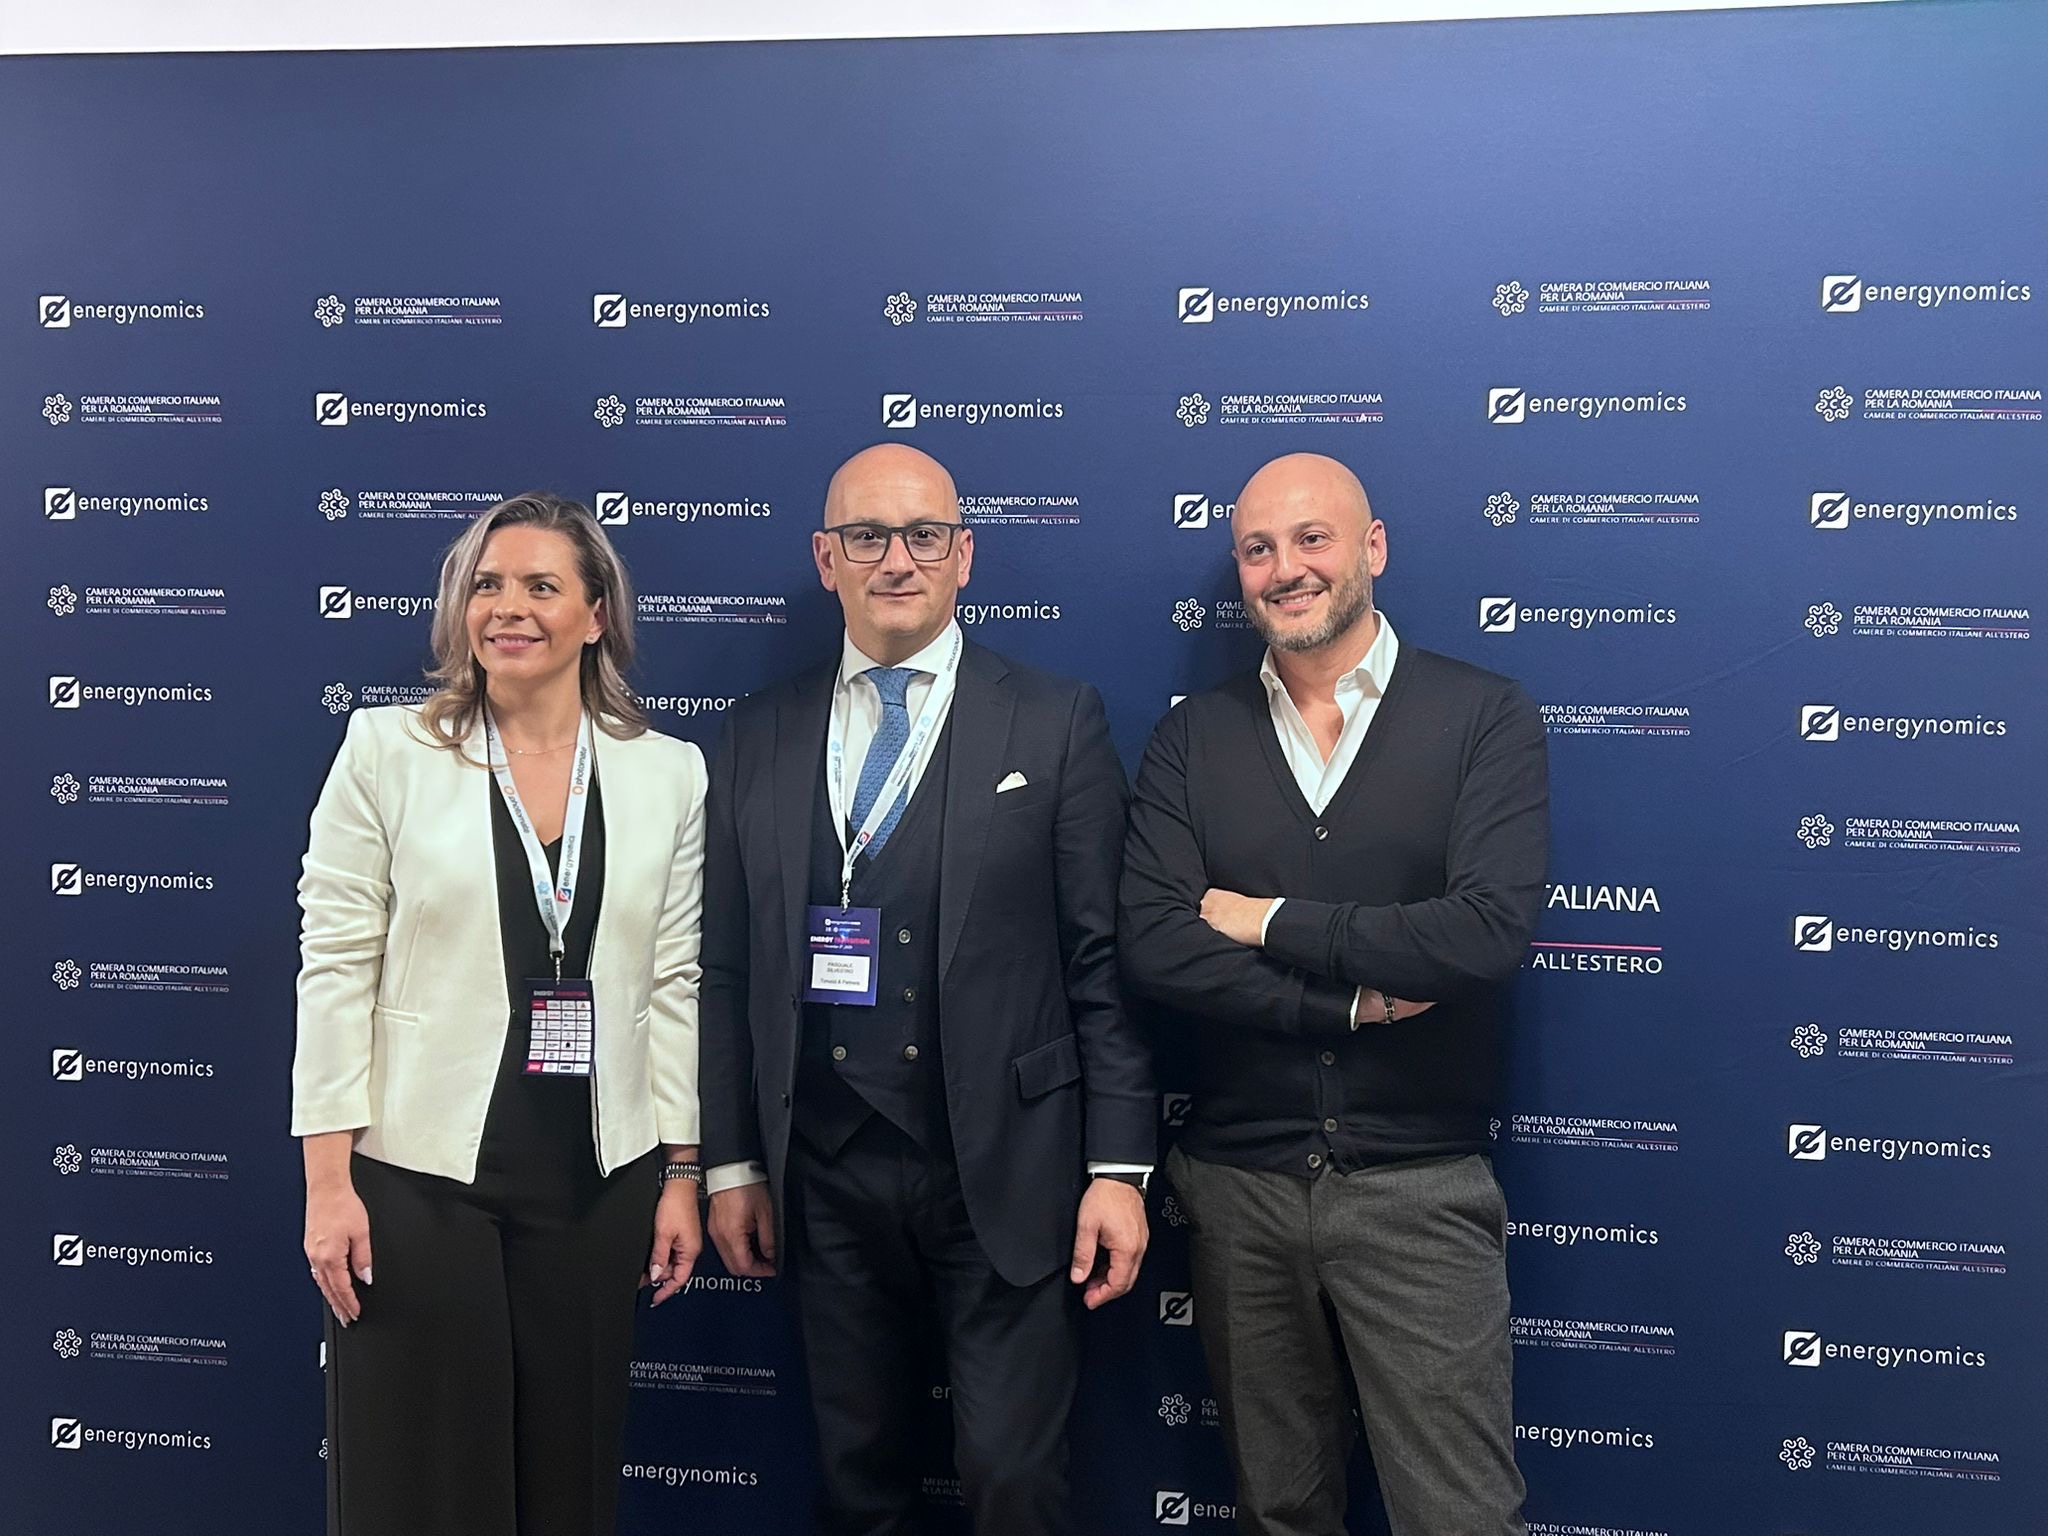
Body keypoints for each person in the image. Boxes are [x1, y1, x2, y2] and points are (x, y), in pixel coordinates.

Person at [698, 442, 1154, 1536]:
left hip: (1008, 1166)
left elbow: (1101, 960)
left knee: (1010, 1480)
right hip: (824, 1172)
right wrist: (731, 1160)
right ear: (826, 559)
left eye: (922, 536)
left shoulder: (1055, 719)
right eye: (866, 536)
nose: (895, 559)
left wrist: (1118, 1167)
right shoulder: (755, 733)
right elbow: (723, 971)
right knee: (859, 1483)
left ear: (964, 555)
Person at [1119, 453, 1548, 1536]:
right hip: (1239, 1190)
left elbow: (1480, 934)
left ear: (1373, 547)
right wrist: (1348, 1003)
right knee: (1279, 1513)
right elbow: (1159, 945)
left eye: (1312, 538)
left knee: (1460, 1519)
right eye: (1257, 549)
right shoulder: (1191, 737)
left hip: (1419, 1187)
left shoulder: (1482, 716)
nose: (1286, 568)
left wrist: (1265, 919)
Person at [292, 492, 708, 1536]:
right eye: (486, 584)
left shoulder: (669, 772)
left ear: (595, 615)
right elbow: (333, 966)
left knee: (567, 1488)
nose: (507, 607)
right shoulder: (385, 750)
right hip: (419, 1180)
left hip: (597, 1180)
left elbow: (675, 983)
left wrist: (681, 1170)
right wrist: (328, 1182)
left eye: (540, 586)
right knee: (423, 1490)